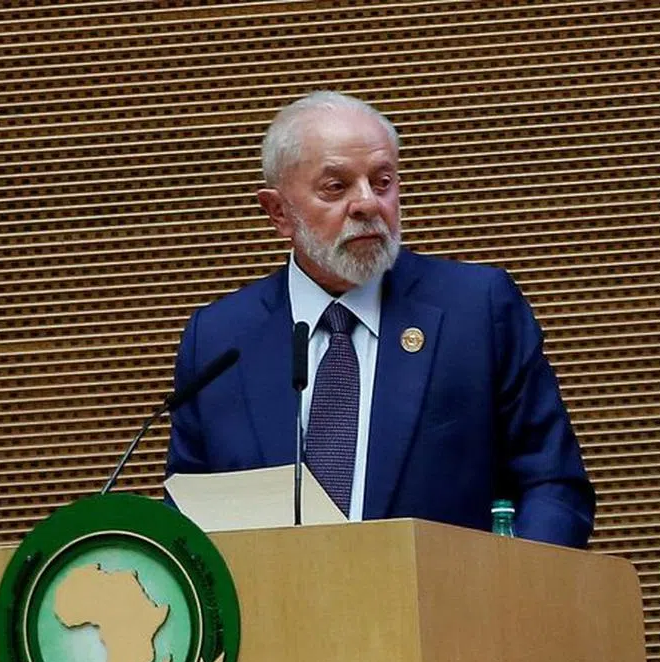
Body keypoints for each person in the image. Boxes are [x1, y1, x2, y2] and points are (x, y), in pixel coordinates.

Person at [164, 91, 594, 548]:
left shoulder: (477, 310)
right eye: (336, 187)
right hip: (278, 613)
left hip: (447, 611)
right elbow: (190, 513)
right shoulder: (219, 339)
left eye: (383, 181)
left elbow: (553, 487)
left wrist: (513, 597)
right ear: (279, 212)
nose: (367, 203)